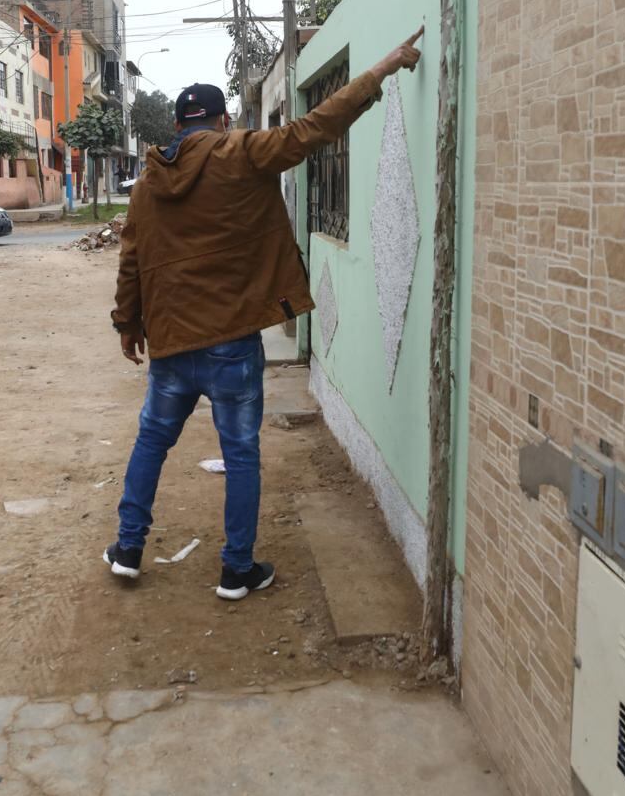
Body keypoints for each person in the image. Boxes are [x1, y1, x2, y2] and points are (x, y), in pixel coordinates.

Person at [106, 29, 425, 600]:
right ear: (223, 121)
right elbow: (315, 128)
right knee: (241, 453)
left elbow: (133, 256)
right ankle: (236, 570)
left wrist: (128, 324)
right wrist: (381, 69)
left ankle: (128, 548)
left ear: (179, 127)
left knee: (151, 443)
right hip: (230, 342)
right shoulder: (242, 152)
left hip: (173, 345)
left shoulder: (149, 182)